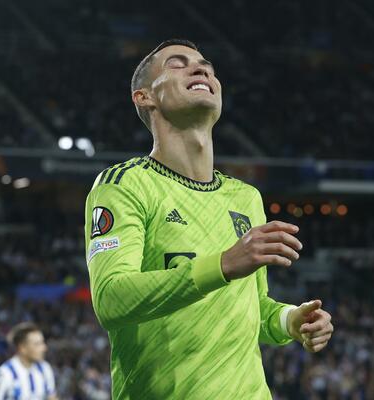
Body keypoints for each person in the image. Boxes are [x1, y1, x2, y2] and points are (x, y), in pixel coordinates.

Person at [84, 39, 334, 399]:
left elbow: (252, 306)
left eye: (206, 65)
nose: (200, 69)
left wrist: (289, 320)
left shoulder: (246, 198)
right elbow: (111, 299)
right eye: (177, 63)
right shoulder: (124, 185)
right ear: (144, 97)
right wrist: (223, 264)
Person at [0, 322, 57, 400]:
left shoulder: (45, 368)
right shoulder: (4, 374)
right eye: (37, 344)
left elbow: (51, 397)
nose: (44, 348)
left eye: (42, 343)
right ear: (22, 348)